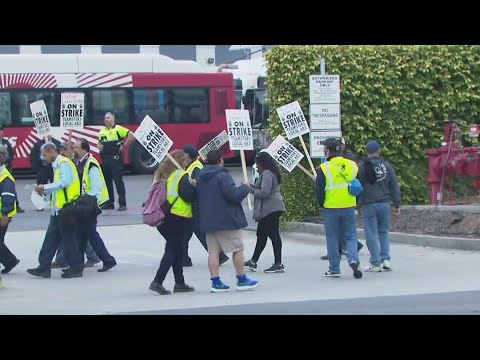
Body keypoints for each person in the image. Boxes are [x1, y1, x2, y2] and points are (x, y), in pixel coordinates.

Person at [197, 150, 258, 293]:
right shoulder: (222, 176)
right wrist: (245, 187)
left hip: (208, 220)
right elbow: (234, 195)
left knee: (213, 252)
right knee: (237, 249)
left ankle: (215, 282)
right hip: (226, 219)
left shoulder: (201, 176)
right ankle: (242, 279)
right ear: (221, 160)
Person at [26, 143, 82, 279]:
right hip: (58, 209)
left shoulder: (64, 163)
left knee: (68, 240)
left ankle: (75, 268)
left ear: (51, 151)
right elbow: (59, 188)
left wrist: (44, 187)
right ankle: (44, 267)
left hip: (66, 208)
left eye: (45, 155)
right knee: (51, 239)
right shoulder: (57, 164)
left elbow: (64, 183)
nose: (44, 158)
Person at [149, 150, 196, 295]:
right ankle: (157, 281)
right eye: (185, 159)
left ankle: (179, 282)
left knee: (178, 250)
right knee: (171, 251)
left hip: (167, 216)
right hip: (179, 216)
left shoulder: (164, 175)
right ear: (180, 161)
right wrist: (193, 185)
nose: (187, 162)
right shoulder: (182, 175)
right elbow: (188, 196)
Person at [316, 137, 362, 279]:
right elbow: (358, 185)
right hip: (349, 205)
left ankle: (334, 269)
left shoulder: (324, 168)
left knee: (332, 237)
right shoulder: (353, 165)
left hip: (331, 207)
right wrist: (356, 201)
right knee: (351, 235)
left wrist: (321, 203)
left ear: (328, 151)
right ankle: (353, 259)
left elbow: (319, 190)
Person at [69, 138, 117, 273]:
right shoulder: (82, 163)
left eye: (77, 148)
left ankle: (104, 260)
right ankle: (105, 260)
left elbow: (95, 188)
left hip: (89, 206)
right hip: (85, 205)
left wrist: (87, 202)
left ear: (84, 149)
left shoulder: (91, 164)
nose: (74, 151)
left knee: (87, 234)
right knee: (85, 235)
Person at [51, 141, 100, 268]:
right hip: (74, 202)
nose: (61, 152)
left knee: (77, 232)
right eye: (60, 150)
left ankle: (91, 257)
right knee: (75, 231)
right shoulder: (70, 162)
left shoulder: (73, 163)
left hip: (77, 203)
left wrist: (90, 200)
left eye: (76, 148)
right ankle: (87, 257)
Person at [182, 144, 229, 267]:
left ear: (189, 157)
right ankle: (183, 257)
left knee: (198, 232)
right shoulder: (191, 166)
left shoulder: (196, 167)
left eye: (184, 156)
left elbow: (200, 183)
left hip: (196, 205)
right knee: (187, 232)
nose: (182, 159)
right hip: (193, 204)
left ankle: (219, 255)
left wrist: (192, 183)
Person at [358, 141, 401, 272]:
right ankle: (386, 260)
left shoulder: (361, 167)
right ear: (379, 151)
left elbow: (356, 186)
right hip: (384, 203)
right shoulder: (387, 166)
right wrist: (397, 203)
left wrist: (356, 202)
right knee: (383, 231)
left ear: (366, 152)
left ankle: (375, 263)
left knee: (371, 233)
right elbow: (394, 186)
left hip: (368, 204)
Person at [244, 151, 286, 273]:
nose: (256, 166)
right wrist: (251, 186)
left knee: (273, 235)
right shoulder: (269, 173)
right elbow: (261, 188)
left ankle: (278, 264)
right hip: (269, 209)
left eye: (257, 164)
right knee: (262, 235)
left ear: (262, 163)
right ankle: (253, 261)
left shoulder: (267, 174)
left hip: (270, 209)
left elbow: (264, 193)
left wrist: (250, 189)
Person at [97, 112, 134, 211]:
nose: (106, 120)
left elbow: (131, 135)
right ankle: (109, 203)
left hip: (115, 158)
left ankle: (122, 203)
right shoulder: (102, 131)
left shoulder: (118, 129)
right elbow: (99, 142)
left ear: (113, 118)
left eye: (108, 118)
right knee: (107, 182)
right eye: (105, 118)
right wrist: (99, 146)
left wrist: (124, 145)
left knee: (118, 181)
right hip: (105, 158)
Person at [0, 145, 20, 275]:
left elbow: (8, 197)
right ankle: (10, 261)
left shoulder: (5, 177)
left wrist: (5, 215)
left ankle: (10, 261)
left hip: (3, 215)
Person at [0, 125, 24, 213]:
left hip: (6, 167)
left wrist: (7, 163)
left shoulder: (6, 142)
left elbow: (11, 153)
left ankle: (16, 205)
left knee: (9, 186)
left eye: (1, 130)